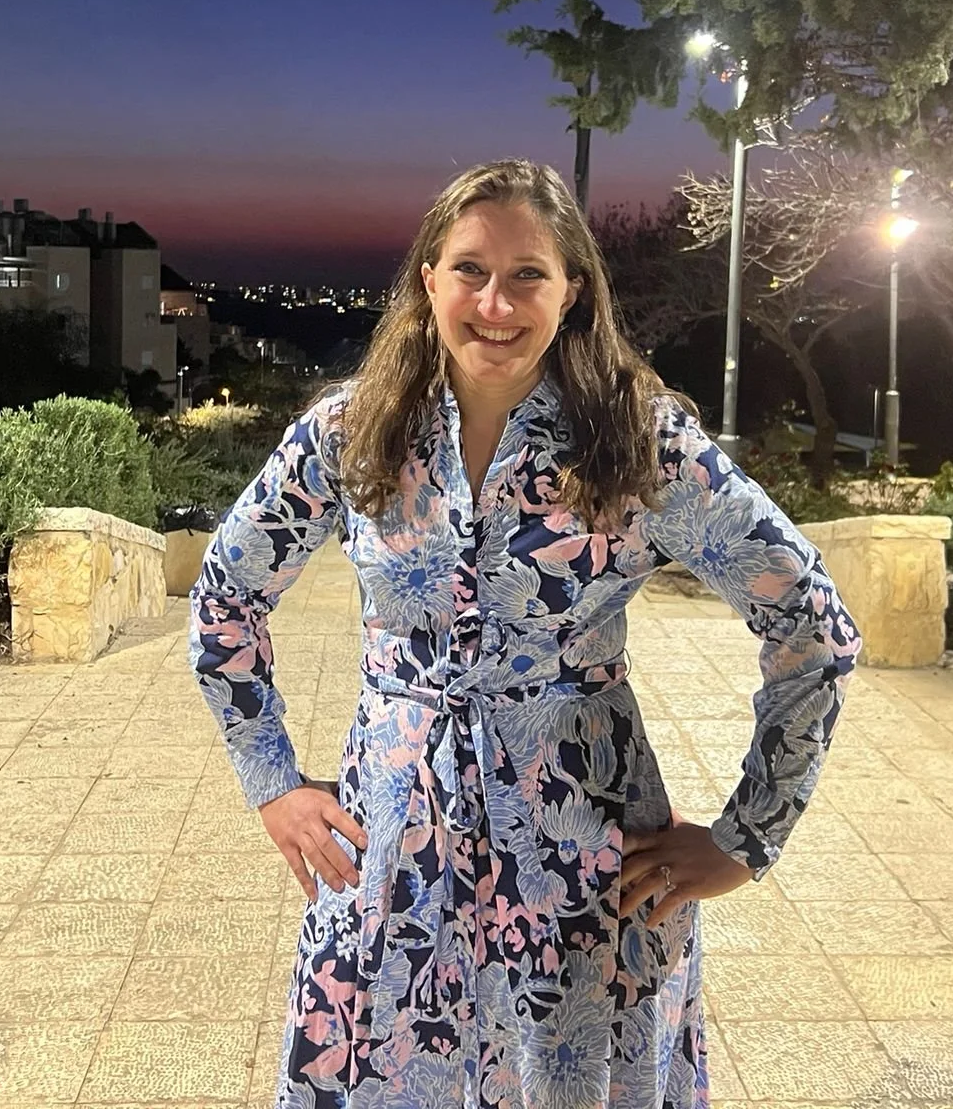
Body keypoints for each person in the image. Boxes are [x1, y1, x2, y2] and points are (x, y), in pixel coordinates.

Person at [191, 159, 861, 1109]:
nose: (494, 304)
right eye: (470, 270)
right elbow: (225, 594)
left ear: (571, 290)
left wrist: (748, 837)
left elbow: (813, 626)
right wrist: (272, 781)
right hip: (393, 857)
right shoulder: (353, 431)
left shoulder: (640, 442)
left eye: (527, 276)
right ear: (429, 279)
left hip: (582, 866)